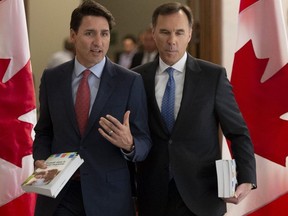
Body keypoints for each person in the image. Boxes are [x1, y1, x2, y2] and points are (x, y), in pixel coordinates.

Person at [132, 2, 257, 216]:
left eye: (179, 32)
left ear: (189, 34)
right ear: (153, 33)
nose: (172, 41)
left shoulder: (213, 76)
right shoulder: (136, 78)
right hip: (152, 196)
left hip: (203, 196)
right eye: (164, 32)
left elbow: (237, 132)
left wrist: (247, 178)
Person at [33, 1, 151, 216]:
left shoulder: (130, 81)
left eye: (104, 34)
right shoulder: (52, 78)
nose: (98, 42)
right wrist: (39, 158)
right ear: (73, 35)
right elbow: (44, 131)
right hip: (60, 195)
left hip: (108, 198)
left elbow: (144, 141)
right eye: (89, 33)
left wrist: (130, 144)